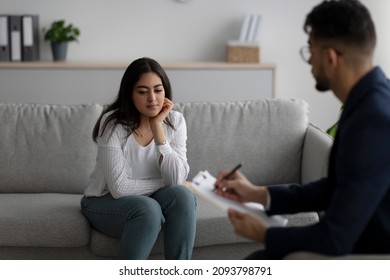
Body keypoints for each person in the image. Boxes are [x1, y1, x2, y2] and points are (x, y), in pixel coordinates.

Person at [215, 0, 390, 259]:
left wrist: (263, 233)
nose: (309, 62)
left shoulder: (372, 119)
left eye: (310, 51)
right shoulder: (371, 100)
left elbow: (335, 238)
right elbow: (337, 187)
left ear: (330, 57)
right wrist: (259, 194)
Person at [81, 57, 196, 260]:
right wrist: (165, 183)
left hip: (149, 201)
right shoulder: (112, 124)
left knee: (183, 196)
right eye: (142, 92)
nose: (152, 98)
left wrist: (159, 131)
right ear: (130, 94)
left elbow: (175, 179)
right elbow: (120, 189)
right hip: (104, 202)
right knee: (149, 208)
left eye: (158, 90)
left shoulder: (175, 121)